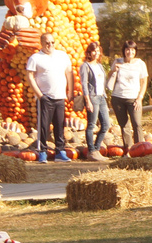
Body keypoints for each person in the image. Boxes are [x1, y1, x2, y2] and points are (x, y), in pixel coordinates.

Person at [26, 33, 74, 162]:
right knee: (43, 126)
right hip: (45, 97)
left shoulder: (62, 56)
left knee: (60, 125)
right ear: (41, 43)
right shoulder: (35, 58)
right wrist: (40, 95)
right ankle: (42, 151)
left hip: (60, 96)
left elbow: (69, 72)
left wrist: (70, 91)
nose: (50, 45)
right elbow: (30, 77)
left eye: (52, 42)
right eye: (47, 42)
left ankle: (60, 151)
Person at [107, 41, 149, 146]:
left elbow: (144, 82)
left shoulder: (140, 64)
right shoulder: (118, 62)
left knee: (137, 124)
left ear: (135, 51)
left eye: (132, 50)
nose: (130, 52)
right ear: (124, 51)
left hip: (133, 98)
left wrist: (140, 98)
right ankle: (129, 150)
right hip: (118, 97)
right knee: (124, 126)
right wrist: (113, 70)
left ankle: (139, 149)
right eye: (127, 49)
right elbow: (109, 77)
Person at [77, 41, 109, 160]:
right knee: (91, 125)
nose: (96, 53)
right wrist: (88, 101)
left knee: (106, 124)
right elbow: (84, 84)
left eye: (98, 51)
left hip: (101, 97)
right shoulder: (85, 66)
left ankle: (96, 148)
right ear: (89, 53)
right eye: (93, 51)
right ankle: (91, 151)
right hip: (92, 97)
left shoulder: (99, 66)